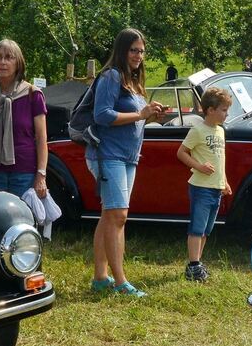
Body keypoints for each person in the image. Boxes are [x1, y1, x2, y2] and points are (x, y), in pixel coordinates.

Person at [88, 28, 167, 297]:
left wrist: (150, 116)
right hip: (109, 154)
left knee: (109, 215)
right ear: (122, 51)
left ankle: (100, 278)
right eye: (133, 50)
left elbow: (134, 117)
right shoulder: (111, 76)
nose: (138, 55)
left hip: (128, 157)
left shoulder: (133, 81)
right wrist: (139, 113)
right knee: (119, 216)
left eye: (142, 51)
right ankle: (120, 282)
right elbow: (102, 115)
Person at [0, 39, 48, 198]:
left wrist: (41, 175)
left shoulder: (33, 94)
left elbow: (41, 138)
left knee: (22, 220)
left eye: (9, 57)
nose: (2, 62)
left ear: (18, 62)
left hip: (24, 172)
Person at [176, 88, 232, 282]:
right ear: (209, 110)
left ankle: (197, 262)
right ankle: (193, 266)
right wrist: (198, 166)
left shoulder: (220, 131)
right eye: (223, 110)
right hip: (201, 187)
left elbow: (220, 160)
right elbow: (181, 152)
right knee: (197, 228)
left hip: (216, 188)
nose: (227, 114)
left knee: (206, 230)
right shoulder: (198, 130)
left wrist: (224, 182)